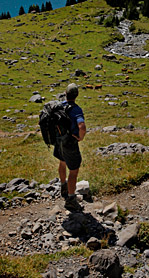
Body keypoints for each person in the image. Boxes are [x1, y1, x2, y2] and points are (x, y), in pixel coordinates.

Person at [54, 83, 86, 211]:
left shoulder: (58, 106)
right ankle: (71, 200)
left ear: (65, 94)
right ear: (76, 95)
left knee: (62, 162)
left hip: (59, 141)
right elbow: (81, 126)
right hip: (70, 143)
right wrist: (81, 137)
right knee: (73, 171)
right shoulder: (76, 109)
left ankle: (63, 187)